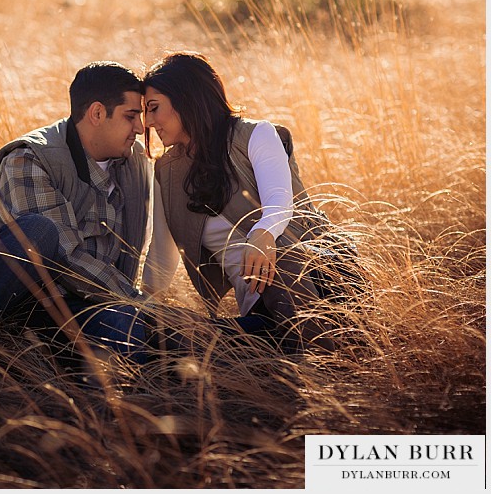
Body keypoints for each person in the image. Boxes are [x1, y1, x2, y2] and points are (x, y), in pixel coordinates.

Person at [0, 61, 156, 364]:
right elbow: (67, 257)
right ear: (97, 113)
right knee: (39, 229)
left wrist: (144, 314)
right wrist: (140, 303)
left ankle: (121, 401)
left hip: (64, 307)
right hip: (0, 303)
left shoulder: (134, 164)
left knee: (131, 326)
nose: (140, 128)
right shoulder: (28, 158)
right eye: (131, 116)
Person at [141, 51, 364, 353]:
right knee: (169, 336)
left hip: (319, 280)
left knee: (283, 259)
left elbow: (279, 200)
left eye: (154, 108)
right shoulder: (166, 171)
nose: (148, 121)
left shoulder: (255, 135)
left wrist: (263, 233)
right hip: (262, 312)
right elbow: (162, 257)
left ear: (186, 98)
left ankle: (319, 353)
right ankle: (295, 352)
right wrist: (140, 308)